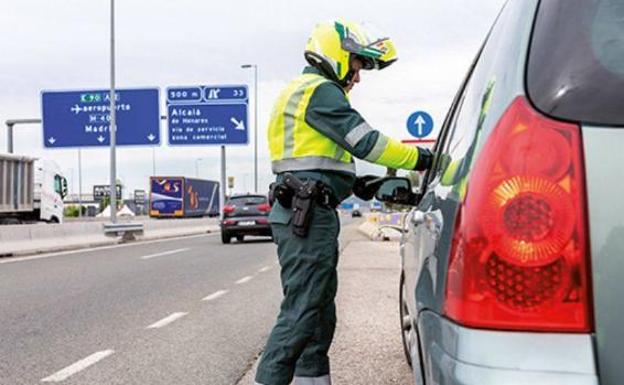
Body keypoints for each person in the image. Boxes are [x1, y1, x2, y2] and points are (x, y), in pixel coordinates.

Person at [255, 20, 433, 385]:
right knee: (303, 312)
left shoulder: (304, 92)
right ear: (336, 55)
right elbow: (368, 142)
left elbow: (317, 163)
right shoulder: (320, 92)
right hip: (305, 214)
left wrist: (358, 184)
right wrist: (425, 159)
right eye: (357, 64)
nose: (359, 76)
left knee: (318, 315)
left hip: (305, 208)